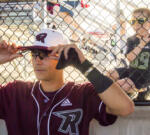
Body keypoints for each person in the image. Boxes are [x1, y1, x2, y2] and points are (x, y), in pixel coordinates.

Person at [0, 28, 134, 135]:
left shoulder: (82, 93)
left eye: (45, 54)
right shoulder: (15, 92)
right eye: (34, 54)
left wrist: (84, 66)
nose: (37, 60)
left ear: (65, 56)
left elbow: (125, 108)